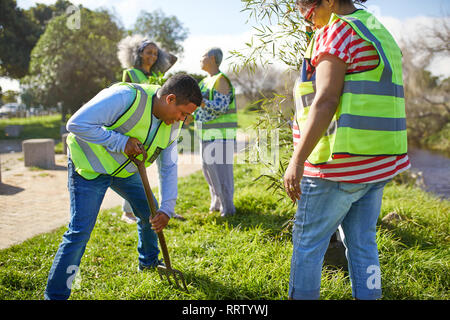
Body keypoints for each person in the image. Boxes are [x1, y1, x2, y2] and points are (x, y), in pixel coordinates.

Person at [285, 0, 410, 300]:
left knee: (307, 245)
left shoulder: (336, 32)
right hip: (377, 165)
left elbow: (326, 100)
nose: (306, 17)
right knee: (363, 243)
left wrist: (297, 160)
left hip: (336, 168)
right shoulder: (375, 29)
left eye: (308, 7)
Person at [44, 74, 202, 300]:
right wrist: (120, 143)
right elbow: (76, 124)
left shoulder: (173, 126)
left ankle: (148, 263)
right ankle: (56, 296)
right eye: (183, 113)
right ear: (170, 99)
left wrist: (167, 208)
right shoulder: (126, 97)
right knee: (80, 232)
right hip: (89, 169)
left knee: (151, 213)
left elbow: (168, 167)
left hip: (125, 172)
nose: (183, 120)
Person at [117, 35, 183, 223]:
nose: (153, 56)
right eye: (148, 52)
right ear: (138, 54)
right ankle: (128, 212)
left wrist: (159, 54)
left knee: (166, 168)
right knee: (134, 171)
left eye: (156, 53)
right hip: (137, 128)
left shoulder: (157, 76)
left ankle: (166, 209)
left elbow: (173, 59)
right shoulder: (130, 73)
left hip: (159, 128)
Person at [194, 47, 237, 217]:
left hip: (221, 136)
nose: (200, 59)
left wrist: (201, 102)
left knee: (222, 173)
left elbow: (220, 107)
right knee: (209, 172)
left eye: (202, 55)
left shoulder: (221, 80)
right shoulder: (204, 82)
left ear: (212, 58)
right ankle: (217, 203)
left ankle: (228, 208)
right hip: (205, 134)